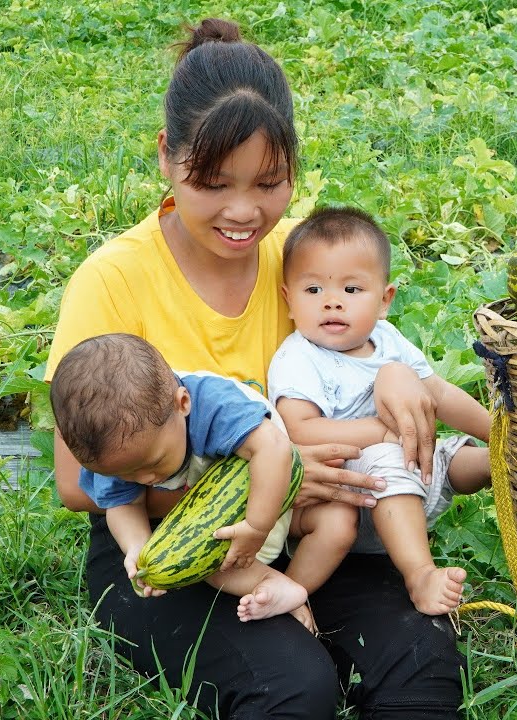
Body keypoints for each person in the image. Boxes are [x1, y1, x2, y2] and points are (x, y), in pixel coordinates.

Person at [45, 18, 463, 719]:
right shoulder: (112, 279)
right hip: (172, 545)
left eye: (269, 183)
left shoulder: (298, 270)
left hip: (315, 529)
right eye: (212, 183)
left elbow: (370, 348)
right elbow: (73, 482)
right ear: (166, 160)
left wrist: (394, 372)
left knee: (421, 665)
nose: (244, 212)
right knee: (293, 688)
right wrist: (270, 469)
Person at [269, 207, 491, 616]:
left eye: (351, 290)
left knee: (459, 456)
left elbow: (437, 393)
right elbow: (299, 430)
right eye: (313, 290)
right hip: (352, 498)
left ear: (384, 300)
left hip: (409, 477)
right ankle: (420, 573)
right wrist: (382, 434)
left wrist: (498, 432)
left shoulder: (387, 339)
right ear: (289, 300)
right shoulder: (299, 358)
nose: (332, 303)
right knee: (387, 454)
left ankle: (508, 461)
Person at [50, 333, 315, 628]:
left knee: (237, 550)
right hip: (209, 481)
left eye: (153, 463)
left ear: (183, 404)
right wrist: (138, 547)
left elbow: (274, 449)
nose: (146, 479)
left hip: (260, 468)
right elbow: (123, 505)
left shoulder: (215, 408)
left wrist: (256, 525)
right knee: (206, 564)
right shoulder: (120, 449)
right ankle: (273, 584)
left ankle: (285, 577)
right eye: (126, 474)